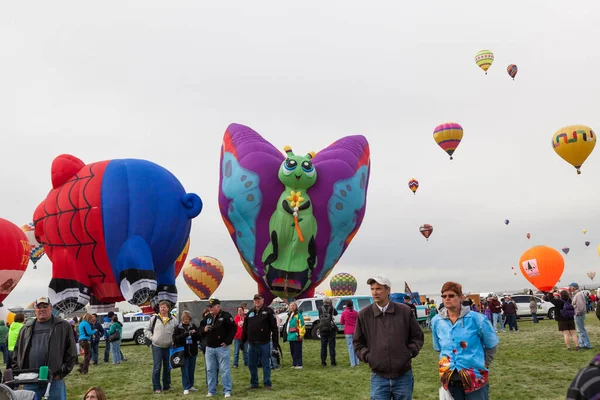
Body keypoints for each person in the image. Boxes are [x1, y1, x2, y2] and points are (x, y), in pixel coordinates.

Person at [354, 275, 424, 400]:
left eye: (379, 289)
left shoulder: (404, 311)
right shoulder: (364, 314)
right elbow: (358, 342)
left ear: (388, 290)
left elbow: (417, 336)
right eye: (373, 289)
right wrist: (369, 357)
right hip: (378, 376)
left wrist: (408, 353)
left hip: (404, 375)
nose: (375, 292)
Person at [431, 282, 499, 400]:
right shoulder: (437, 321)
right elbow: (438, 347)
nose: (447, 299)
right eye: (444, 296)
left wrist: (485, 363)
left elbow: (491, 344)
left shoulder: (477, 319)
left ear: (461, 297)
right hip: (449, 377)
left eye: (451, 296)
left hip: (475, 377)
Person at [12, 296, 77, 399]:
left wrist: (61, 373)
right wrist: (19, 373)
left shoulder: (62, 326)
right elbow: (16, 352)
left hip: (53, 379)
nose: (42, 309)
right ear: (35, 310)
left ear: (51, 308)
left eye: (45, 306)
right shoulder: (26, 328)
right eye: (39, 307)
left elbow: (72, 352)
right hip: (30, 379)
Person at [242, 293, 279, 390]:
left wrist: (275, 344)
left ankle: (267, 383)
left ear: (263, 300)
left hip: (264, 343)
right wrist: (243, 341)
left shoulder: (268, 311)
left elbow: (274, 329)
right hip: (252, 344)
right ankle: (254, 383)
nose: (257, 301)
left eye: (259, 299)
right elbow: (245, 329)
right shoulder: (250, 313)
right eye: (255, 299)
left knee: (266, 364)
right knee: (252, 365)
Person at [200, 298, 236, 398]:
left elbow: (233, 328)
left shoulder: (226, 316)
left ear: (218, 307)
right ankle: (211, 390)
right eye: (209, 307)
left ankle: (227, 390)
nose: (210, 309)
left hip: (222, 348)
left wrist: (227, 342)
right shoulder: (207, 317)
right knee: (210, 370)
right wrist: (204, 329)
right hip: (209, 348)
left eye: (212, 307)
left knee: (224, 370)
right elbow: (200, 328)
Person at [144, 300, 178, 394]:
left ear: (168, 308)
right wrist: (152, 338)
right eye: (161, 307)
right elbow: (146, 329)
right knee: (157, 367)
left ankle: (167, 386)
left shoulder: (174, 320)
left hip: (168, 347)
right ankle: (156, 387)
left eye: (164, 307)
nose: (162, 308)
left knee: (167, 367)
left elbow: (177, 332)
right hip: (157, 346)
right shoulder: (154, 318)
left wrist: (174, 341)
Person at [173, 310, 201, 395]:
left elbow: (199, 337)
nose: (186, 320)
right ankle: (185, 387)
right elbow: (175, 339)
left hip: (192, 351)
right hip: (183, 352)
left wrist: (194, 334)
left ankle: (191, 385)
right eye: (185, 318)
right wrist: (185, 334)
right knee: (184, 370)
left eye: (188, 318)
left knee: (191, 369)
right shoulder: (178, 327)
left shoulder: (193, 326)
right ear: (182, 318)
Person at [282, 301, 306, 368]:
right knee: (292, 350)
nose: (292, 307)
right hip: (290, 335)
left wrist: (301, 334)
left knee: (297, 350)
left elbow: (302, 324)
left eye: (293, 305)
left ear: (296, 307)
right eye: (291, 305)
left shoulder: (298, 314)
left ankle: (299, 364)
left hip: (296, 335)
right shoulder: (289, 315)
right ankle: (294, 363)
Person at [571, 282, 593, 349]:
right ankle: (582, 343)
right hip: (578, 314)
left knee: (581, 330)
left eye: (571, 287)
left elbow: (580, 306)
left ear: (574, 287)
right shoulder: (578, 294)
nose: (570, 288)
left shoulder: (578, 295)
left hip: (579, 314)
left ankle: (587, 344)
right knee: (579, 330)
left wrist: (577, 312)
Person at [318, 297, 338, 367]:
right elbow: (336, 313)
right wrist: (331, 306)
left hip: (322, 329)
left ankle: (323, 362)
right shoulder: (331, 308)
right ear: (329, 302)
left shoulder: (320, 308)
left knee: (323, 346)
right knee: (332, 346)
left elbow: (319, 317)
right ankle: (333, 362)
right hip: (331, 329)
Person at [340, 300, 359, 367]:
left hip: (348, 331)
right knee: (356, 346)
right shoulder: (356, 313)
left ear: (346, 305)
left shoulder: (344, 313)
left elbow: (341, 322)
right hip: (355, 331)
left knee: (350, 347)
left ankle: (352, 363)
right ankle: (357, 362)